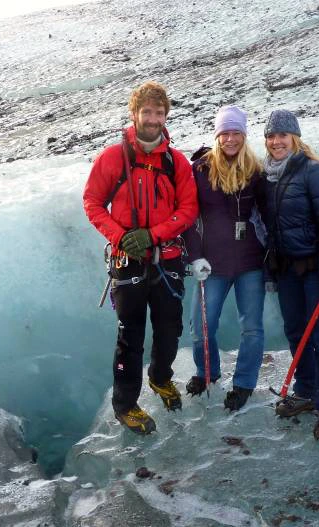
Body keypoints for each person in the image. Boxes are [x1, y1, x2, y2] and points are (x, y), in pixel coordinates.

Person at [83, 81, 198, 435]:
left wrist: (153, 235)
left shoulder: (175, 161)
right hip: (127, 262)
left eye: (159, 113)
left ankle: (161, 379)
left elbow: (188, 208)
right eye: (146, 112)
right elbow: (92, 202)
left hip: (167, 258)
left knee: (169, 330)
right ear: (134, 114)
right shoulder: (112, 158)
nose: (152, 119)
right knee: (129, 336)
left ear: (166, 116)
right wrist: (120, 237)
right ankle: (125, 406)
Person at [261, 109, 319, 441]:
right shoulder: (268, 177)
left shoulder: (314, 172)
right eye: (271, 136)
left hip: (313, 271)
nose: (276, 141)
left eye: (282, 135)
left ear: (294, 138)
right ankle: (307, 390)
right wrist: (270, 270)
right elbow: (268, 230)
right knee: (296, 332)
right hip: (286, 272)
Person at [184, 105, 267, 411]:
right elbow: (189, 218)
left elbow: (269, 214)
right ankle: (207, 372)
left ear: (244, 136)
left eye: (236, 133)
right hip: (213, 263)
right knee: (200, 326)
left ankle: (244, 383)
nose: (230, 139)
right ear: (217, 136)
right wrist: (195, 257)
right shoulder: (200, 171)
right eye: (225, 133)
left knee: (252, 327)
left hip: (250, 263)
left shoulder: (256, 171)